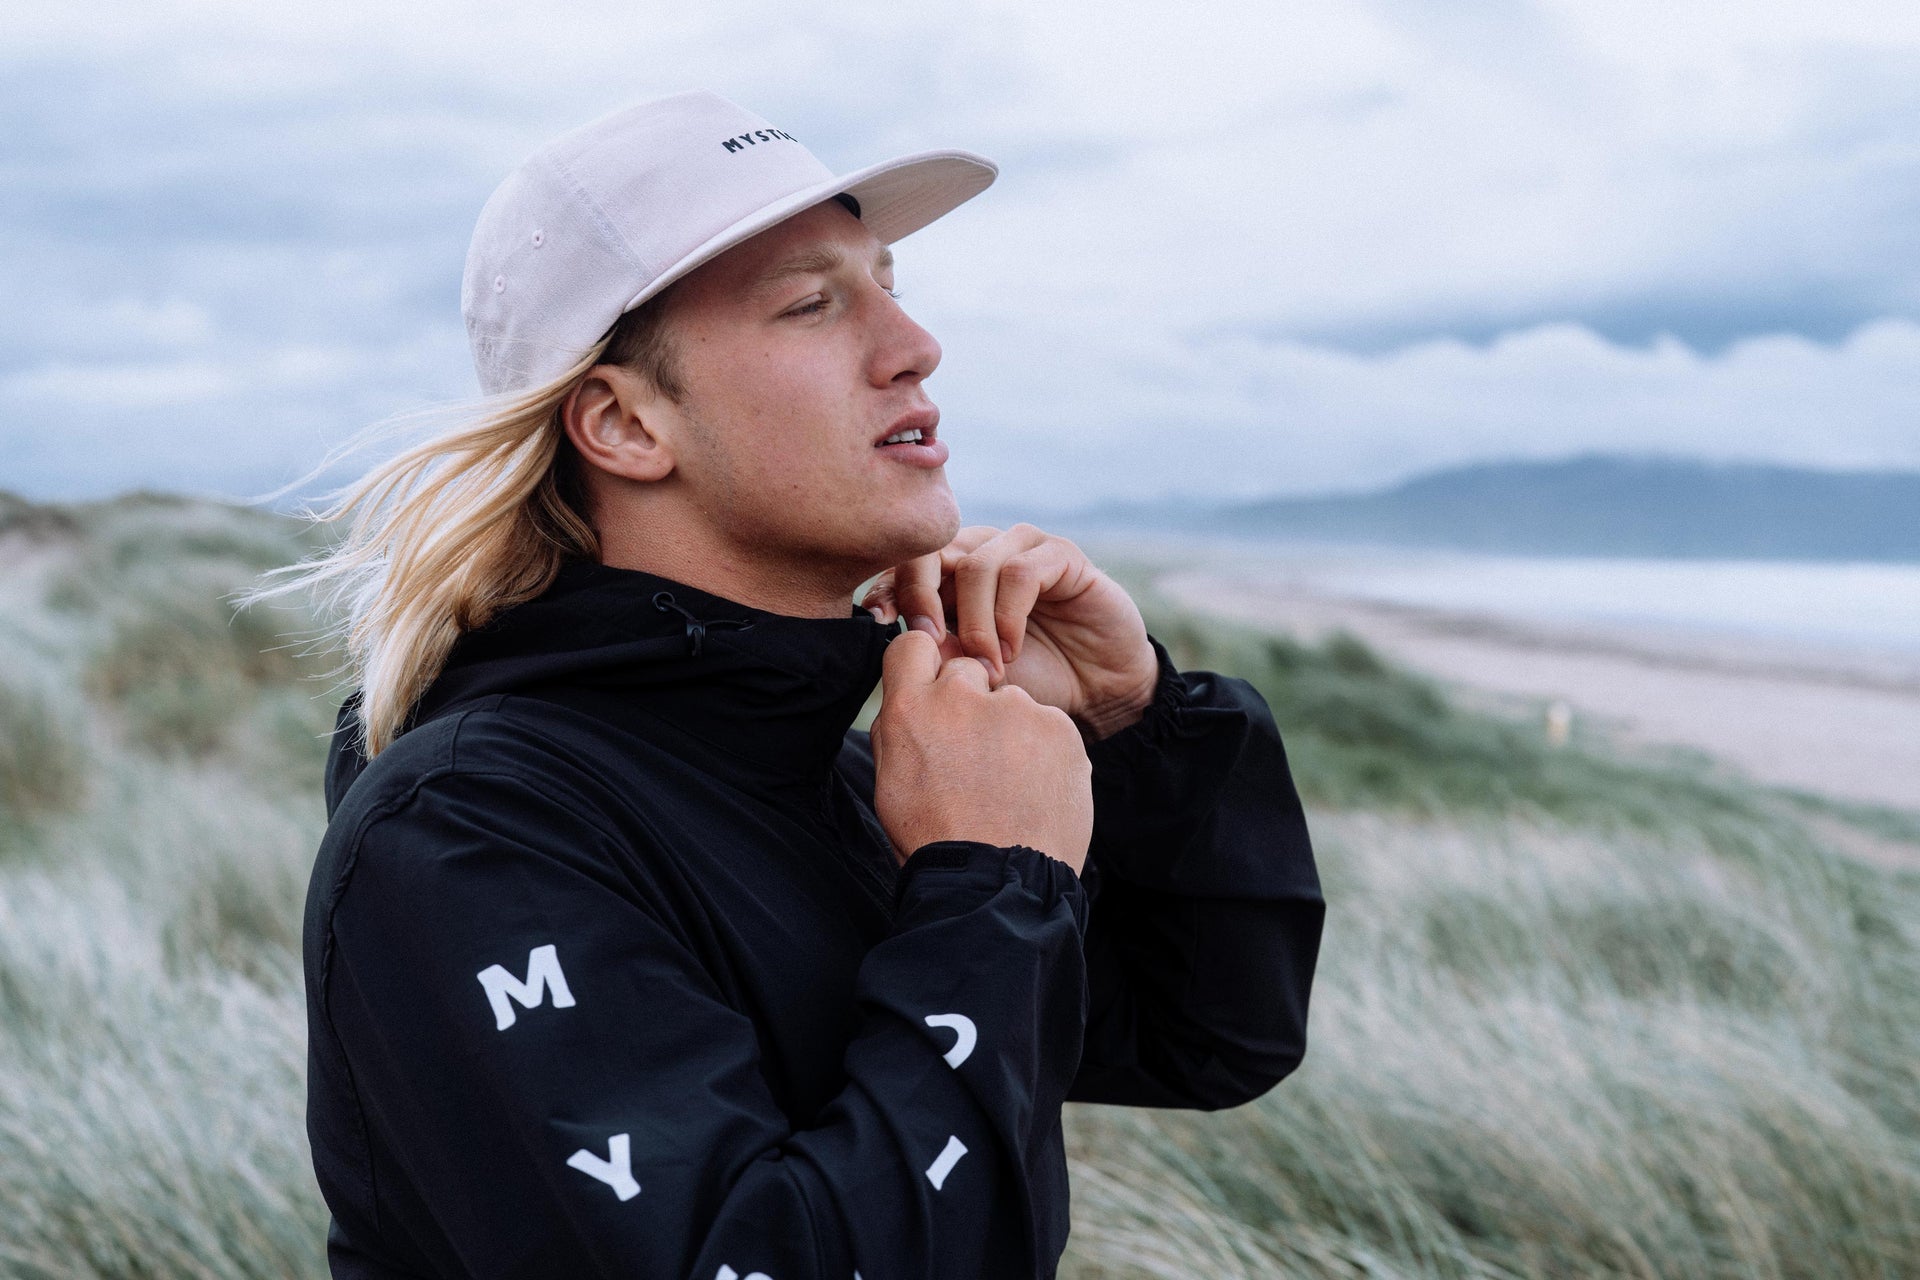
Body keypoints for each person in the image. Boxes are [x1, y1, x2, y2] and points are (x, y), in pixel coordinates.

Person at [283, 89, 1324, 1279]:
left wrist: (1136, 720)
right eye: (813, 304)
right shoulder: (473, 827)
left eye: (890, 283)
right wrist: (990, 881)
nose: (913, 344)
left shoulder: (839, 776)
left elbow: (1211, 1036)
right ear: (624, 424)